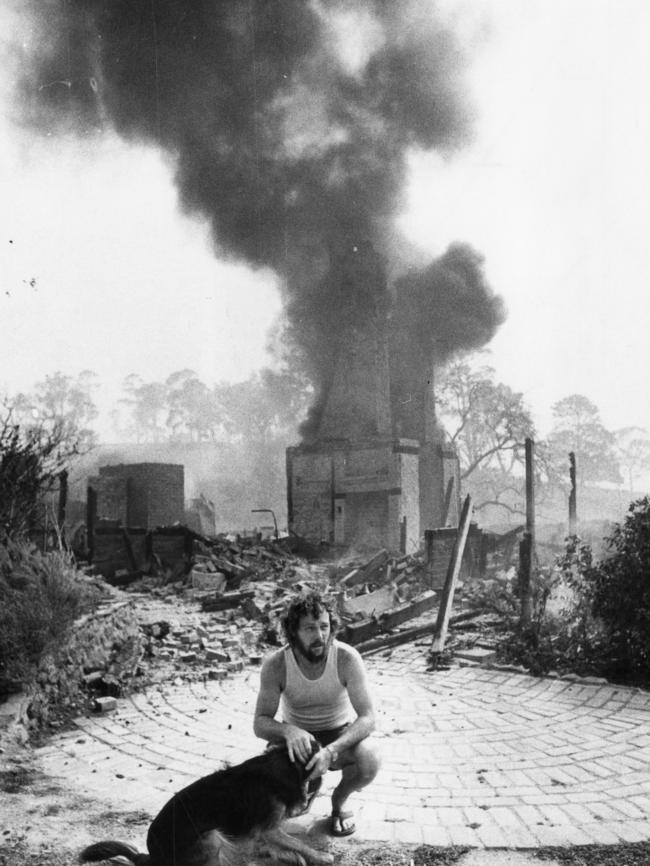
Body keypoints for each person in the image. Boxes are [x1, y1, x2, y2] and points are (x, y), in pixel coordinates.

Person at [253, 590, 380, 837]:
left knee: (370, 759)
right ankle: (308, 786)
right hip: (297, 740)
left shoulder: (346, 658)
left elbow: (368, 717)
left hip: (338, 735)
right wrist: (288, 731)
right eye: (310, 628)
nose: (320, 635)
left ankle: (339, 802)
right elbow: (260, 723)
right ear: (293, 632)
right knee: (272, 807)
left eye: (324, 626)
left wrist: (331, 751)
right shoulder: (276, 664)